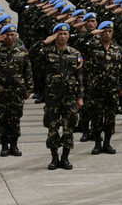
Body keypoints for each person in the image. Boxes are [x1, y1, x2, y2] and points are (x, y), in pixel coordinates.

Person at [31, 23, 83, 170]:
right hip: (52, 97)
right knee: (52, 128)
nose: (63, 36)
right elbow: (31, 53)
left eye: (65, 34)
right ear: (55, 36)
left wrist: (80, 97)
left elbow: (80, 77)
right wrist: (45, 42)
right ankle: (54, 158)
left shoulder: (75, 54)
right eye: (60, 34)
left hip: (70, 97)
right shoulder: (47, 52)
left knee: (69, 128)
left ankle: (65, 158)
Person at [0, 24, 33, 157]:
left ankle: (14, 145)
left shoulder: (22, 51)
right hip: (0, 91)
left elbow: (27, 71)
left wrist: (29, 88)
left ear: (16, 36)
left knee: (15, 119)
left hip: (17, 91)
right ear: (2, 36)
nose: (10, 37)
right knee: (2, 119)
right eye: (7, 34)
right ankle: (4, 146)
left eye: (12, 34)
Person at [82, 21, 122, 155]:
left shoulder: (118, 49)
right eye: (104, 31)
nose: (107, 34)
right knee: (96, 117)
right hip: (95, 89)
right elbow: (78, 41)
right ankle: (97, 143)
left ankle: (107, 143)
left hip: (112, 89)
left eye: (110, 31)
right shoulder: (91, 47)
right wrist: (92, 33)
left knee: (110, 117)